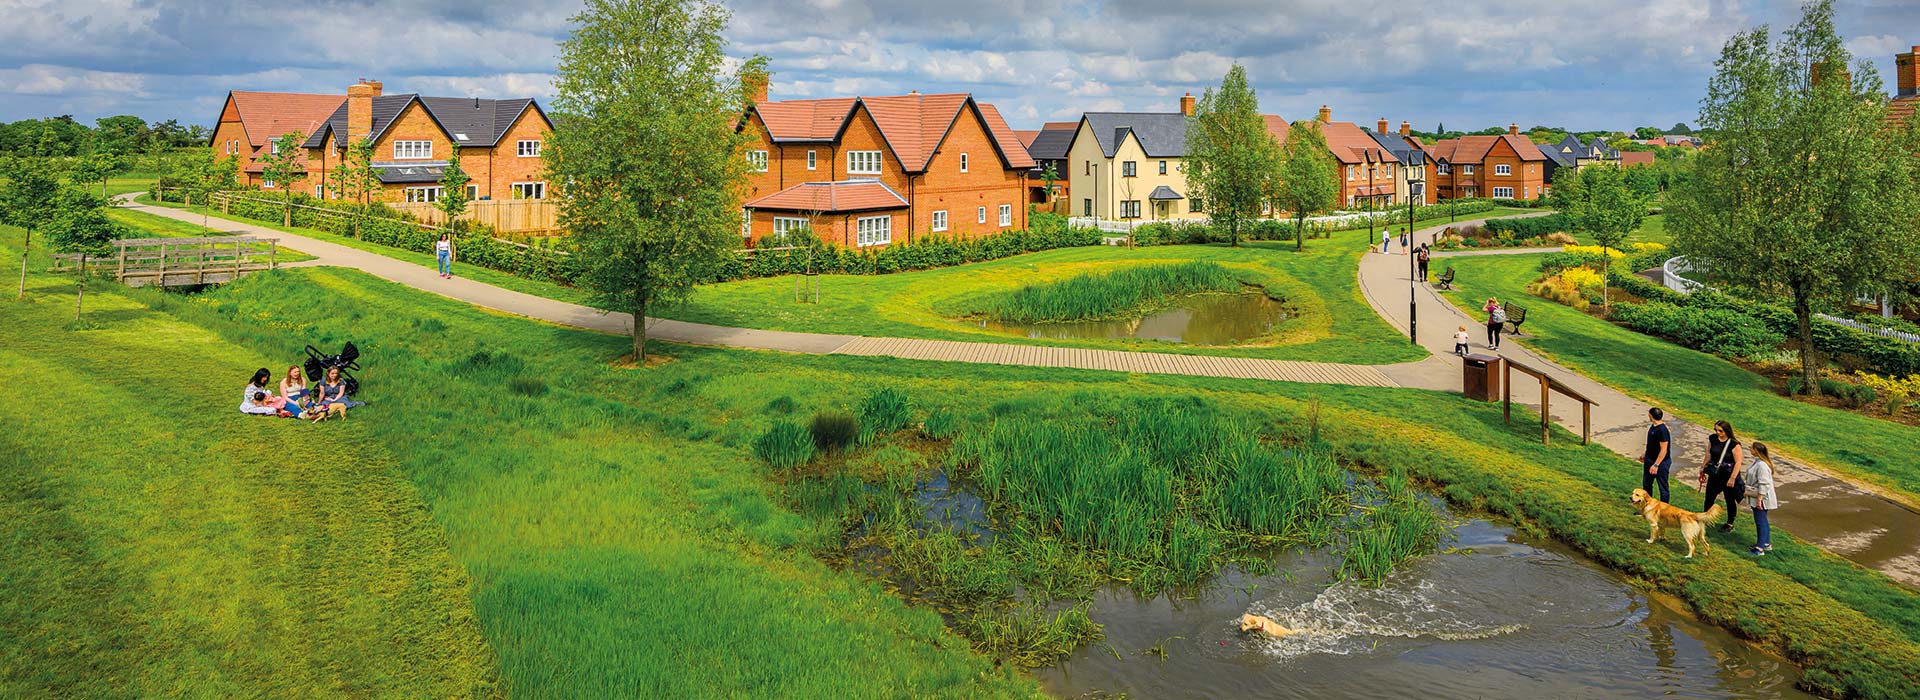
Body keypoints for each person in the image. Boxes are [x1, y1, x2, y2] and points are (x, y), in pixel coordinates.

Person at [1697, 420, 1746, 533]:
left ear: (1727, 431)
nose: (1718, 433)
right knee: (1709, 497)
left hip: (1728, 476)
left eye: (1721, 431)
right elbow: (1709, 453)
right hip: (1715, 474)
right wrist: (1703, 467)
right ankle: (1707, 518)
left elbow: (1738, 462)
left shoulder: (1734, 444)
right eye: (1716, 430)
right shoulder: (1713, 439)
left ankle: (1730, 523)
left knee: (1729, 499)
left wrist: (1733, 478)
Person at [1745, 441, 1779, 555]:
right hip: (1760, 497)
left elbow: (1764, 483)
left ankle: (1759, 548)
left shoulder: (1762, 465)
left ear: (1756, 450)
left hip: (1762, 498)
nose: (1750, 449)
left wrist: (1759, 499)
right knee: (1763, 520)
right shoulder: (1758, 462)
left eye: (1751, 448)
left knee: (1760, 521)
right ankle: (1765, 543)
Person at [1642, 407, 1673, 503]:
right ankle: (1646, 506)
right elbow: (1652, 445)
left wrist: (1656, 465)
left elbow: (1664, 449)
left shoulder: (1662, 430)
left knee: (1663, 487)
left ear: (1651, 415)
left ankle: (1664, 509)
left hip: (1661, 463)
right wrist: (1645, 454)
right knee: (1647, 485)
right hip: (1649, 460)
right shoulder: (1653, 427)